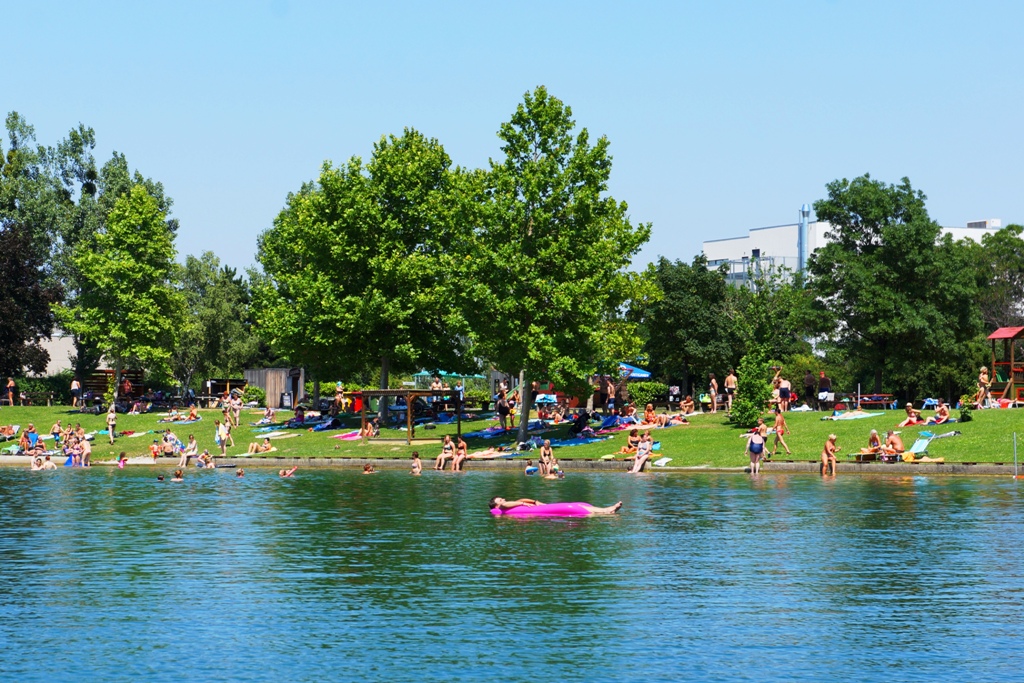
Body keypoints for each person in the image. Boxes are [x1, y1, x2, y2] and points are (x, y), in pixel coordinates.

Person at [488, 497, 623, 515]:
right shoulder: (501, 508)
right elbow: (506, 504)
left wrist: (534, 502)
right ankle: (606, 511)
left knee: (577, 504)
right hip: (538, 513)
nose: (503, 499)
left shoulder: (508, 506)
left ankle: (606, 510)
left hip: (537, 509)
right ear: (497, 504)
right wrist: (523, 503)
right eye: (500, 499)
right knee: (572, 506)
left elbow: (521, 499)